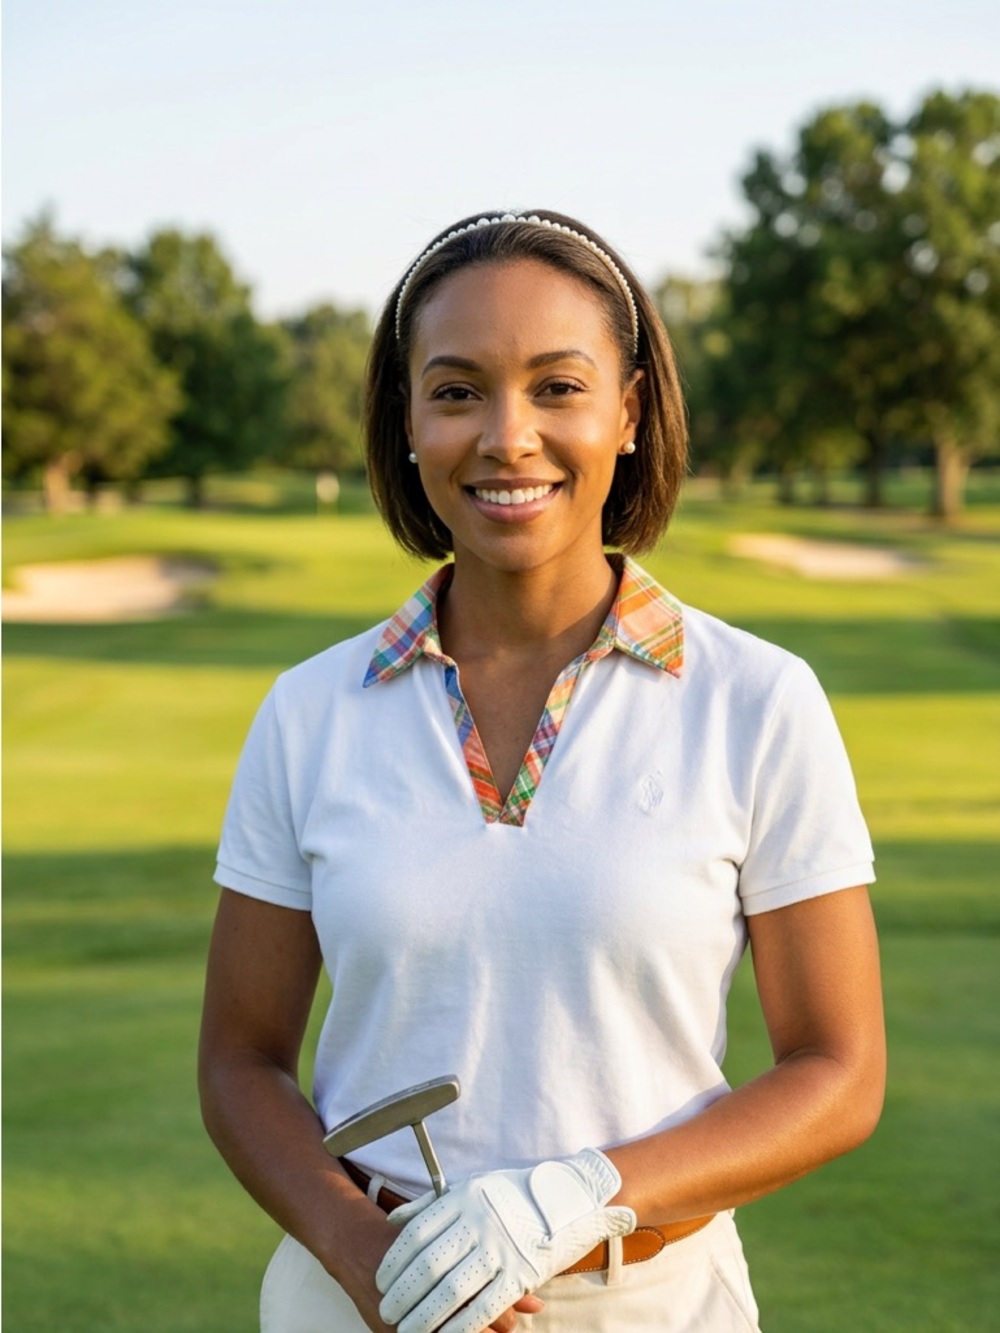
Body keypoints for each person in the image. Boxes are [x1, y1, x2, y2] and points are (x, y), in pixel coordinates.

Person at [199, 209, 885, 1333]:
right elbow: (239, 1060)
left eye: (558, 387)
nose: (507, 436)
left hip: (655, 1300)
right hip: (360, 1299)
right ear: (407, 421)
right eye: (457, 391)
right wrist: (371, 1259)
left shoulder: (757, 701)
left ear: (630, 412)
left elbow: (839, 1071)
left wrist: (579, 1192)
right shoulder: (309, 712)